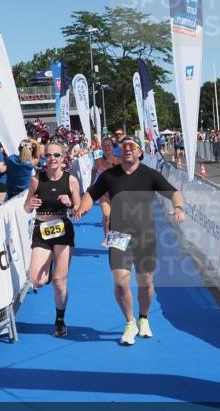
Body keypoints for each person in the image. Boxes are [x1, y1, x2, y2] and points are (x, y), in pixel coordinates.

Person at [74, 136, 185, 345]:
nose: (127, 149)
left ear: (139, 152)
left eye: (131, 146)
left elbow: (174, 193)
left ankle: (144, 318)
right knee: (121, 280)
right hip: (118, 234)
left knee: (146, 283)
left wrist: (178, 208)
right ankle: (130, 322)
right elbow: (91, 193)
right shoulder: (109, 176)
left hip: (146, 236)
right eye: (123, 147)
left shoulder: (150, 175)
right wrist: (82, 207)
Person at [23, 141, 81, 338]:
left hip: (63, 229)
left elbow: (78, 210)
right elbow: (26, 208)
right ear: (44, 158)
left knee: (59, 281)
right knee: (37, 281)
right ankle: (46, 271)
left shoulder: (71, 180)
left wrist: (71, 203)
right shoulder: (36, 180)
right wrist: (30, 204)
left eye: (56, 155)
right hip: (42, 229)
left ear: (63, 158)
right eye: (48, 155)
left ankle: (60, 320)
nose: (52, 159)